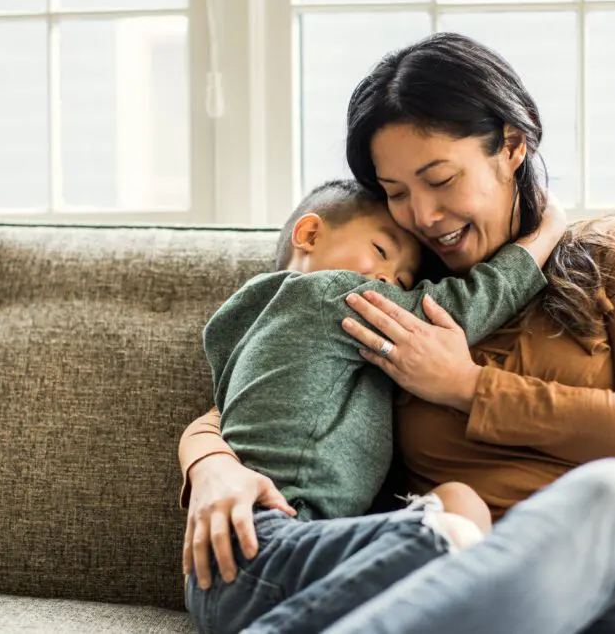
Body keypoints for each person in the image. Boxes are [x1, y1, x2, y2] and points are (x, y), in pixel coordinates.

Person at [180, 32, 615, 632]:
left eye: (440, 179)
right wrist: (212, 466)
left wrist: (463, 385)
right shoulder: (405, 295)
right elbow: (261, 389)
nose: (423, 216)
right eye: (398, 194)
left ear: (511, 145)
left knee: (612, 492)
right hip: (482, 610)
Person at [187, 178, 565, 633]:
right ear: (309, 234)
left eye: (404, 280)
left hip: (240, 566)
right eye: (382, 252)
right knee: (455, 524)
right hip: (267, 544)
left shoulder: (248, 327)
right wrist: (543, 235)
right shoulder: (328, 295)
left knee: (454, 509)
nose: (390, 281)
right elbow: (459, 310)